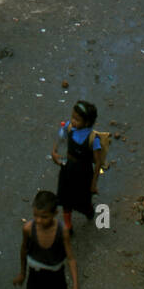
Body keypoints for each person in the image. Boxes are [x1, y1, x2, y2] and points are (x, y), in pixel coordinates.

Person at [51, 100, 102, 234]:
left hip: (84, 174)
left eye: (77, 119)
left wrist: (94, 183)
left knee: (83, 199)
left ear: (87, 122)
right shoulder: (69, 128)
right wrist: (54, 152)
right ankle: (68, 224)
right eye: (72, 117)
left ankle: (88, 210)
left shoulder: (93, 139)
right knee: (65, 197)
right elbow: (60, 139)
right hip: (68, 169)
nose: (73, 121)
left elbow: (98, 162)